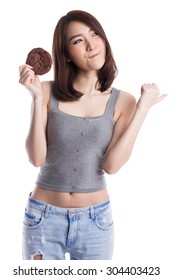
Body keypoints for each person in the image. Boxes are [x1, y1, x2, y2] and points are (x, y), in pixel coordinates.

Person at [19, 10, 166, 260]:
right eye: (77, 40)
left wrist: (142, 109)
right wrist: (35, 97)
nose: (90, 45)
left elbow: (112, 165)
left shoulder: (124, 102)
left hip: (95, 222)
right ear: (65, 54)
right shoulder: (45, 92)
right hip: (43, 218)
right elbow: (36, 158)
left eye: (94, 33)